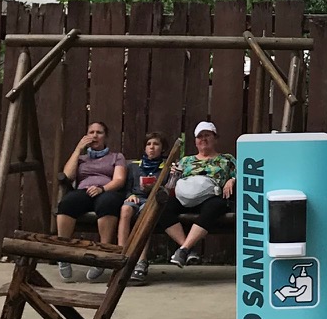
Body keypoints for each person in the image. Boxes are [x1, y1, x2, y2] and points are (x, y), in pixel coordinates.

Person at [83, 132, 168, 284]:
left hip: (152, 201)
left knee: (146, 215)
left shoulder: (166, 167)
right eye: (148, 144)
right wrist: (129, 196)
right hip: (135, 198)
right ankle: (122, 255)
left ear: (162, 149)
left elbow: (168, 189)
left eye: (156, 144)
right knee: (125, 209)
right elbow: (127, 188)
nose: (151, 148)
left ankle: (141, 261)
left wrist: (156, 188)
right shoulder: (134, 166)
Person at [157, 119, 236, 269]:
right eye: (200, 136)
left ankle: (183, 250)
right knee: (162, 207)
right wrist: (173, 175)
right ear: (195, 141)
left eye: (207, 135)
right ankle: (187, 248)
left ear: (215, 138)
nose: (203, 139)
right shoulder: (186, 160)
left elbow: (242, 174)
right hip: (185, 196)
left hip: (210, 197)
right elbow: (170, 185)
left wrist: (232, 180)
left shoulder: (226, 159)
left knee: (216, 206)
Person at [55, 120, 127, 280]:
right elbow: (68, 176)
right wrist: (77, 150)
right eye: (91, 132)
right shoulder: (81, 158)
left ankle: (102, 255)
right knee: (67, 203)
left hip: (107, 190)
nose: (95, 136)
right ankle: (63, 253)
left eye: (99, 132)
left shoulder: (116, 157)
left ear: (105, 137)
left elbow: (119, 179)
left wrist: (102, 189)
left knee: (107, 203)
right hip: (83, 191)